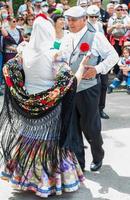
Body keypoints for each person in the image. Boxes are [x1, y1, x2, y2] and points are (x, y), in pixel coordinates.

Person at [0, 13, 88, 198]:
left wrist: (21, 92)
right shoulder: (55, 55)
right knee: (49, 143)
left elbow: (9, 70)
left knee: (29, 140)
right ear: (49, 32)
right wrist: (81, 68)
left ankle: (26, 179)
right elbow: (70, 84)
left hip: (27, 106)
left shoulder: (23, 51)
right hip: (50, 107)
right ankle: (48, 183)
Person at [62, 6, 119, 171]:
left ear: (84, 19)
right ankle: (79, 163)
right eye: (69, 20)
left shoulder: (96, 37)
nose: (70, 23)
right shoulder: (66, 37)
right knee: (72, 127)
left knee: (90, 126)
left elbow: (113, 56)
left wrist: (98, 69)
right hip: (70, 88)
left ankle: (98, 155)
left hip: (88, 88)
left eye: (74, 20)